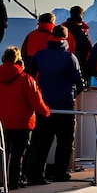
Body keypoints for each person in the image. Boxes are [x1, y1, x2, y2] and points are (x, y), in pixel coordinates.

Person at [24, 25, 84, 184]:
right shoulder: (69, 57)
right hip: (65, 106)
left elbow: (27, 77)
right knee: (64, 142)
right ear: (65, 39)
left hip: (44, 106)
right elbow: (78, 81)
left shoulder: (39, 55)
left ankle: (34, 175)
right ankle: (59, 172)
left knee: (41, 142)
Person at [0, 46, 50, 189]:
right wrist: (46, 112)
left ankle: (2, 180)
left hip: (1, 123)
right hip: (22, 122)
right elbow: (37, 102)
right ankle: (15, 181)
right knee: (18, 153)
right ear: (19, 61)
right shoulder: (26, 79)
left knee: (3, 151)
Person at [62, 5, 93, 80]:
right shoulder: (81, 30)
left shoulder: (64, 28)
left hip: (65, 61)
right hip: (80, 62)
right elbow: (87, 47)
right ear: (81, 15)